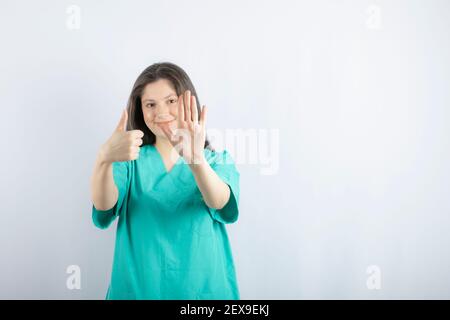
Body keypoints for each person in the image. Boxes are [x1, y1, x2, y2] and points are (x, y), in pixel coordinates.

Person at [90, 62, 240, 299]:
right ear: (140, 110)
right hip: (138, 291)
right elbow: (104, 206)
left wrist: (195, 160)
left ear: (188, 101)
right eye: (150, 104)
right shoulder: (129, 163)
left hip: (202, 294)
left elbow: (222, 203)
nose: (161, 113)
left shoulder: (215, 161)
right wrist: (103, 160)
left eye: (171, 101)